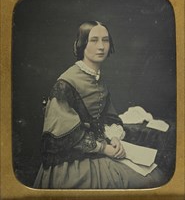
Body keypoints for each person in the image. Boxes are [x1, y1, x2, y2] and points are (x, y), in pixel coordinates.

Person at [33, 20, 165, 189]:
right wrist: (105, 149)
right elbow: (64, 137)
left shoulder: (97, 79)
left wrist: (115, 137)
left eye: (106, 40)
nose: (101, 46)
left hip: (99, 148)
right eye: (94, 40)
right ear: (82, 44)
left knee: (155, 174)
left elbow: (109, 117)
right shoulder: (66, 83)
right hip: (70, 163)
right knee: (147, 181)